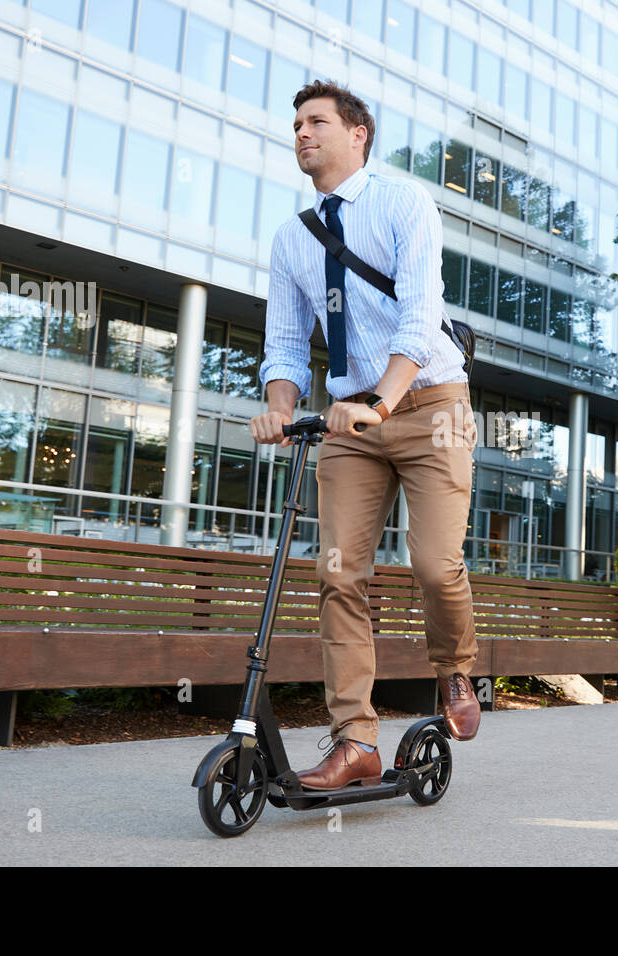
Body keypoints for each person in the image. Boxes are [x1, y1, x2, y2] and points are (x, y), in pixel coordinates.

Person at [249, 79, 481, 791]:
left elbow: (419, 313)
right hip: (352, 419)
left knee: (436, 565)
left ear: (358, 134)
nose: (300, 133)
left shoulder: (404, 202)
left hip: (429, 401)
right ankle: (355, 740)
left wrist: (383, 398)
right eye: (294, 124)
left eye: (316, 121)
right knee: (337, 571)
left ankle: (456, 669)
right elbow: (286, 345)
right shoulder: (292, 238)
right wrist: (281, 405)